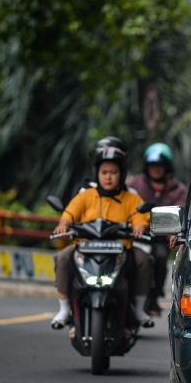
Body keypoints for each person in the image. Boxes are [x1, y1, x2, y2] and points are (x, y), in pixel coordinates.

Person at [50, 136, 154, 330]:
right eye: (104, 172)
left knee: (144, 260)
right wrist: (63, 224)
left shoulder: (131, 198)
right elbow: (70, 212)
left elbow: (140, 216)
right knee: (62, 258)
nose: (108, 177)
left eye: (113, 172)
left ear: (121, 174)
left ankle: (139, 309)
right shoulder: (86, 196)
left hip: (120, 252)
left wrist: (140, 226)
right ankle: (64, 308)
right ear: (96, 173)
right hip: (85, 249)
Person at [129, 143, 187, 316]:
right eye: (153, 166)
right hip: (136, 236)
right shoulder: (135, 185)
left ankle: (154, 296)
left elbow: (182, 212)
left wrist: (174, 231)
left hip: (161, 239)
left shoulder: (178, 190)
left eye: (160, 166)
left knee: (161, 257)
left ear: (167, 167)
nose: (156, 170)